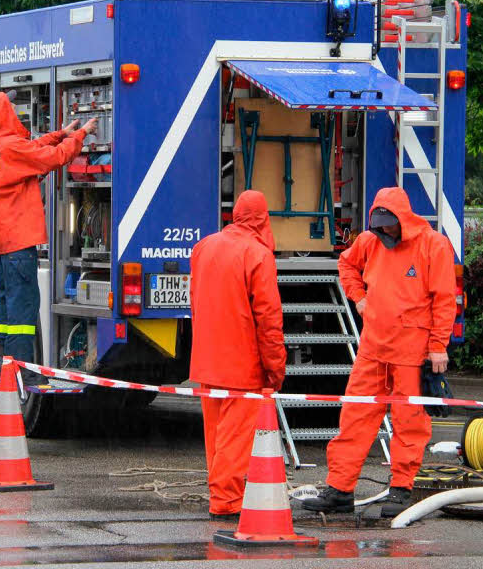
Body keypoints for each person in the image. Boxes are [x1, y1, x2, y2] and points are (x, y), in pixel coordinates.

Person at [303, 186, 455, 514]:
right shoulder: (370, 242)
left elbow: (444, 299)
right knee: (355, 417)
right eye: (380, 225)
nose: (385, 231)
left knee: (409, 423)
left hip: (412, 354)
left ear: (402, 219)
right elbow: (346, 265)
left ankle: (401, 489)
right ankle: (340, 490)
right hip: (373, 349)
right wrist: (358, 298)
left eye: (389, 225)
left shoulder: (433, 245)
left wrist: (438, 345)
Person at [0, 91, 97, 385]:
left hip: (3, 243)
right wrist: (80, 135)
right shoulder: (9, 148)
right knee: (24, 309)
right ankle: (21, 371)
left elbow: (28, 149)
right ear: (6, 114)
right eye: (11, 107)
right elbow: (52, 159)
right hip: (19, 240)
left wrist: (59, 133)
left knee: (7, 307)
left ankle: (4, 365)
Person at [189, 190, 286, 519]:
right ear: (262, 218)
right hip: (241, 363)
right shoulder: (258, 255)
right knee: (234, 438)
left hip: (206, 360)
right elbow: (269, 320)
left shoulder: (204, 247)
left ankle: (222, 491)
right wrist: (275, 370)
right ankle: (226, 500)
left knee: (216, 435)